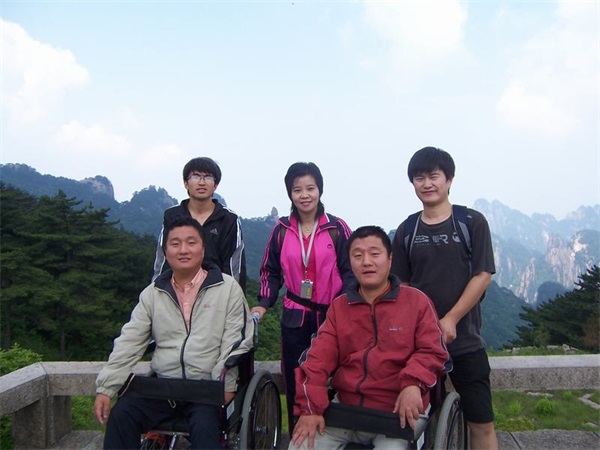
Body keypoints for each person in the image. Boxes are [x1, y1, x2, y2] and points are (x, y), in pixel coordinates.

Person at [94, 216, 254, 450]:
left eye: (191, 242)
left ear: (203, 248)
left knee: (205, 430)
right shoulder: (153, 293)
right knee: (122, 414)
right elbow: (130, 341)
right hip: (163, 387)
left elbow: (236, 340)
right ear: (166, 251)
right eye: (175, 243)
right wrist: (106, 388)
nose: (183, 250)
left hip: (205, 389)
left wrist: (224, 386)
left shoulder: (227, 288)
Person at [290, 225, 450, 450]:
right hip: (346, 408)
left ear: (390, 259)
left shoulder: (417, 302)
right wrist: (310, 408)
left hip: (398, 410)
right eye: (358, 256)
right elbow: (317, 358)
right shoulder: (340, 307)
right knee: (300, 445)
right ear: (350, 262)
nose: (366, 262)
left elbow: (432, 351)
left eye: (375, 254)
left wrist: (413, 383)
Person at [390, 146, 498, 449]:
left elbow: (483, 275)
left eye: (434, 176)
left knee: (481, 422)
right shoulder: (407, 230)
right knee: (413, 420)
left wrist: (450, 319)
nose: (427, 184)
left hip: (465, 342)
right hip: (419, 347)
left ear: (449, 179)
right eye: (419, 178)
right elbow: (403, 287)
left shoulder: (471, 222)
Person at [251, 162, 355, 433]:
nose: (305, 195)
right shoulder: (281, 230)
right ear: (290, 193)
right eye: (297, 189)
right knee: (295, 376)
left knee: (336, 375)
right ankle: (298, 434)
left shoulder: (336, 228)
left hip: (332, 316)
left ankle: (332, 435)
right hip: (295, 315)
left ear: (320, 190)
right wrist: (263, 303)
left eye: (311, 188)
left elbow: (351, 271)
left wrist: (345, 304)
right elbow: (270, 271)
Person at [152, 156, 246, 293]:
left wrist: (233, 297)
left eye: (208, 177)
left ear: (215, 185)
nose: (202, 182)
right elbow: (162, 259)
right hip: (176, 291)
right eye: (195, 176)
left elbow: (234, 266)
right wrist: (157, 292)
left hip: (215, 292)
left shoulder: (228, 219)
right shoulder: (172, 216)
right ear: (186, 183)